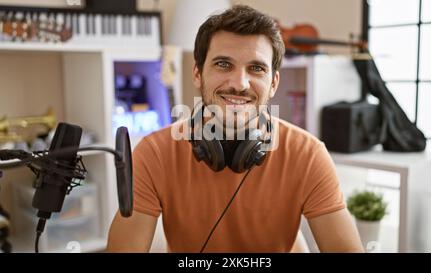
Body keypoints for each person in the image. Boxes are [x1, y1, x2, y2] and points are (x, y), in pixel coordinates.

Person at [107, 5, 364, 253]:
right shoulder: (154, 153)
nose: (240, 84)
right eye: (223, 64)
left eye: (256, 68)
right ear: (197, 73)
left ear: (273, 82)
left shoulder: (308, 154)